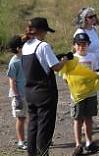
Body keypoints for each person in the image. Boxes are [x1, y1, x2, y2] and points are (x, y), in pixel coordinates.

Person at [22, 17, 70, 156]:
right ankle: (43, 153)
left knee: (33, 126)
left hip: (30, 91)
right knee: (45, 127)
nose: (46, 34)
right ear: (41, 31)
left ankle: (32, 153)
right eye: (46, 32)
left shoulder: (26, 46)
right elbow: (55, 67)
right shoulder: (43, 46)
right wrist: (65, 60)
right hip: (44, 93)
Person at [70, 33, 99, 155]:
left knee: (89, 119)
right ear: (74, 45)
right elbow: (66, 78)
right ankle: (78, 144)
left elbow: (97, 72)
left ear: (88, 44)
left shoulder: (93, 57)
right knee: (77, 119)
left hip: (91, 94)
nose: (82, 47)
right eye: (79, 44)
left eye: (84, 44)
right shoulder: (72, 59)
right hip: (78, 95)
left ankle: (89, 143)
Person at [6, 35, 28, 150]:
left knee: (32, 117)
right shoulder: (14, 62)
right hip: (19, 95)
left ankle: (33, 139)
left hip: (29, 93)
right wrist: (17, 97)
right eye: (23, 44)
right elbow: (12, 81)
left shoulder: (25, 58)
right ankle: (21, 141)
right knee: (21, 118)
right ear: (19, 48)